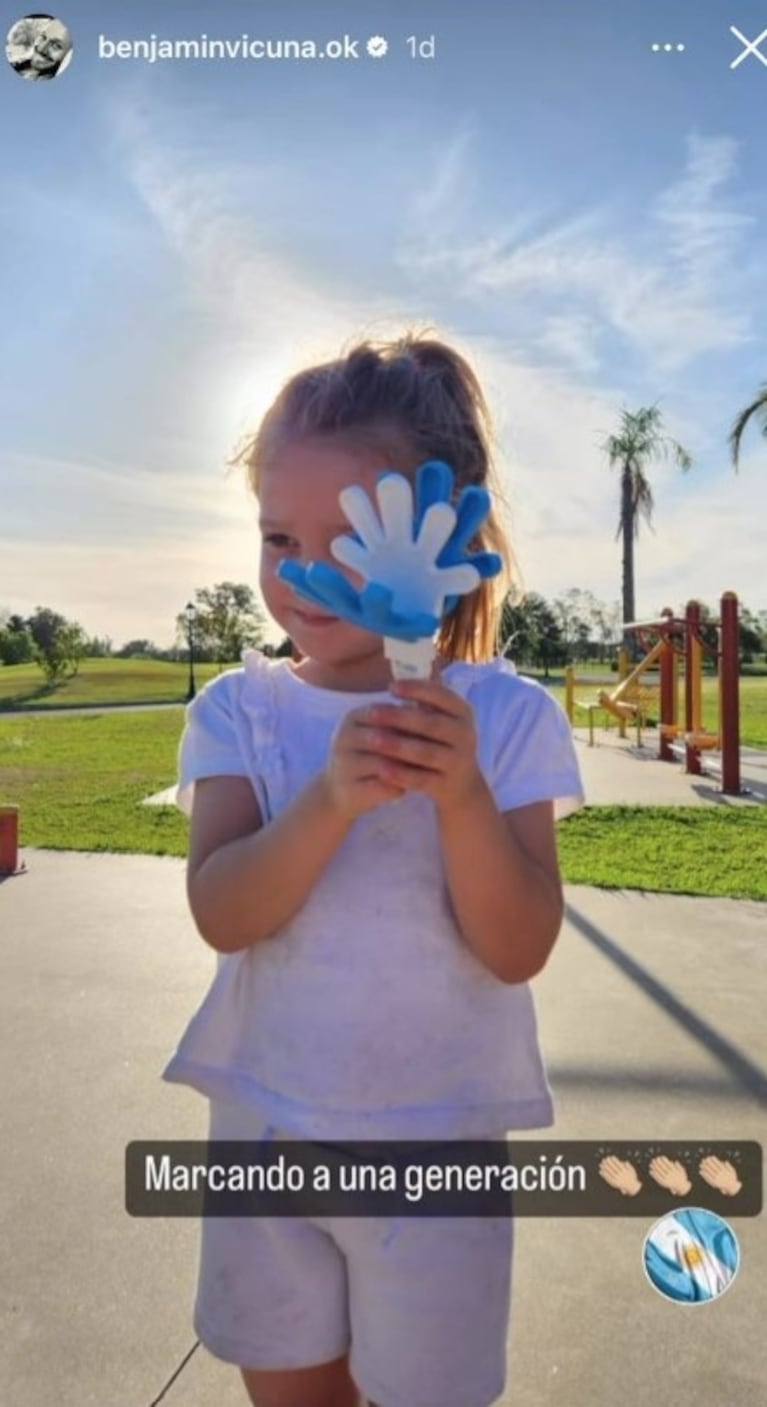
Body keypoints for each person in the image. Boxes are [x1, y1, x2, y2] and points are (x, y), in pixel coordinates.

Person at [163, 331, 585, 1407]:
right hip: (265, 1134)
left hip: (436, 1148)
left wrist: (461, 800)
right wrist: (327, 802)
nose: (298, 575)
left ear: (443, 536)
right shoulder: (239, 712)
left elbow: (517, 945)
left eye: (349, 542)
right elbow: (222, 911)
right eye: (274, 535)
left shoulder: (504, 719)